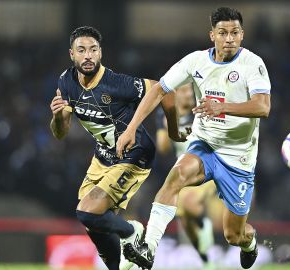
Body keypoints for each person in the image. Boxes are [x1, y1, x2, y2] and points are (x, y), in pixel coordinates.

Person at [116, 7, 271, 269]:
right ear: (212, 35)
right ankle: (149, 247)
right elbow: (158, 90)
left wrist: (223, 107)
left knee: (233, 235)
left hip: (239, 158)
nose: (229, 39)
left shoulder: (253, 64)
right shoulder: (196, 62)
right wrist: (131, 128)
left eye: (234, 33)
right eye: (223, 33)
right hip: (206, 145)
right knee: (175, 177)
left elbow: (262, 107)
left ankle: (250, 242)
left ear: (242, 35)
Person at [49, 26, 161, 270]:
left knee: (87, 212)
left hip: (134, 153)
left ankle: (132, 232)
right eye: (82, 50)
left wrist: (165, 129)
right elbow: (60, 133)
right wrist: (58, 116)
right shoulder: (66, 82)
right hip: (103, 157)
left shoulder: (117, 84)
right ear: (72, 54)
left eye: (93, 50)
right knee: (93, 222)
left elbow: (160, 89)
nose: (88, 55)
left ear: (100, 53)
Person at [155, 84, 218, 267]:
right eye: (183, 91)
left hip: (209, 165)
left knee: (191, 203)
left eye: (190, 90)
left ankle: (206, 236)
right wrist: (170, 125)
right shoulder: (167, 112)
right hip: (184, 172)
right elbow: (163, 148)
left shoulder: (203, 107)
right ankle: (204, 254)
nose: (188, 94)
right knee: (185, 219)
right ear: (175, 94)